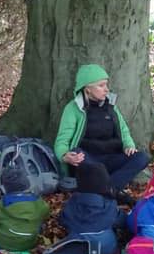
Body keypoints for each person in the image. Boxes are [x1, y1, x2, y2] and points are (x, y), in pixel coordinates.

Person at [54, 64, 149, 198]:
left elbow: (123, 129)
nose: (106, 89)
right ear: (87, 89)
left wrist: (129, 145)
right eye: (101, 85)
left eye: (106, 85)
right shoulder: (73, 109)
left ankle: (107, 189)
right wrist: (65, 156)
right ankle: (111, 190)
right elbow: (62, 141)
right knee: (77, 152)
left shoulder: (111, 106)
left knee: (142, 157)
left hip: (111, 159)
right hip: (89, 161)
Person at [59, 161, 126, 254]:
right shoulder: (109, 205)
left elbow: (63, 220)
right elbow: (122, 221)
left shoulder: (72, 204)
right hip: (107, 249)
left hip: (78, 249)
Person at [0, 166, 50, 252]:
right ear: (27, 183)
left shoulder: (2, 203)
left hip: (3, 243)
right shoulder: (38, 202)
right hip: (29, 244)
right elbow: (46, 212)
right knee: (40, 223)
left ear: (5, 188)